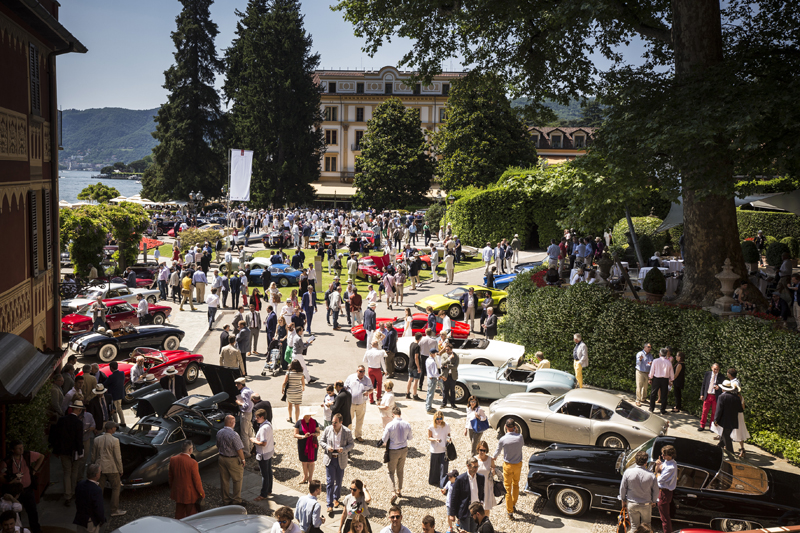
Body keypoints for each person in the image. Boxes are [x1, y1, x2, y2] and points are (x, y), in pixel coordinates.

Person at [320, 413, 354, 514]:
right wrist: (327, 447)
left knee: (338, 481)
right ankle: (329, 504)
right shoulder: (327, 429)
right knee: (330, 482)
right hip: (330, 459)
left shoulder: (347, 432)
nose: (333, 424)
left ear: (341, 422)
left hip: (341, 459)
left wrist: (343, 449)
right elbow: (321, 441)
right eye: (332, 422)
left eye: (335, 422)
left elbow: (351, 444)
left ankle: (336, 499)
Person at [491, 418, 524, 520]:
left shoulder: (503, 439)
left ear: (505, 426)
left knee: (507, 488)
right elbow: (521, 444)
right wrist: (517, 432)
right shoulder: (520, 437)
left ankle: (510, 511)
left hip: (508, 466)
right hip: (518, 465)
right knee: (516, 485)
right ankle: (513, 504)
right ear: (515, 427)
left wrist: (492, 459)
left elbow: (497, 452)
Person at [380, 407, 413, 504]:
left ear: (393, 414)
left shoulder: (390, 425)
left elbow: (384, 439)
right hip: (404, 449)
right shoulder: (407, 424)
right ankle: (399, 490)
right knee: (400, 470)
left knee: (390, 472)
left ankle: (393, 491)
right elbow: (410, 438)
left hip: (393, 450)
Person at [92, 421, 126, 517]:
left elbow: (93, 455)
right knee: (116, 488)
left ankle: (97, 510)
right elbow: (117, 457)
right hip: (111, 468)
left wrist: (93, 466)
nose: (115, 429)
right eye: (114, 427)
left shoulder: (96, 439)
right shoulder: (115, 440)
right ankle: (114, 510)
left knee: (99, 489)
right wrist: (120, 469)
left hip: (99, 468)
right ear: (111, 429)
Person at [619, 450, 658, 531]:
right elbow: (655, 490)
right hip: (646, 504)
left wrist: (623, 500)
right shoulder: (651, 475)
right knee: (647, 526)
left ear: (635, 460)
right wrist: (654, 501)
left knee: (634, 526)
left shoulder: (628, 472)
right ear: (646, 461)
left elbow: (623, 488)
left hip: (632, 503)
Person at [169, 440, 205, 518]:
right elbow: (197, 481)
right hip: (190, 494)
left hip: (178, 491)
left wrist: (173, 488)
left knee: (179, 513)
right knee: (191, 515)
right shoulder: (193, 463)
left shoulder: (173, 459)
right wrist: (201, 493)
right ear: (190, 450)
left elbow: (170, 477)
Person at [450, 458, 485, 533]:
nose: (476, 469)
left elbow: (482, 492)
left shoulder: (481, 478)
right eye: (474, 467)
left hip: (477, 511)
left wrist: (481, 501)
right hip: (465, 511)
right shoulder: (460, 479)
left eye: (477, 466)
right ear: (468, 466)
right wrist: (452, 514)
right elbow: (454, 497)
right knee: (465, 531)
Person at [217, 414, 246, 506]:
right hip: (232, 459)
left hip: (221, 458)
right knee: (237, 480)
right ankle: (236, 500)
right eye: (234, 422)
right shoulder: (234, 434)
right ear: (231, 423)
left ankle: (225, 500)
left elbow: (217, 445)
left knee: (224, 480)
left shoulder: (219, 432)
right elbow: (239, 449)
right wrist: (243, 459)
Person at [714, 380, 743, 454]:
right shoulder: (736, 398)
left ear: (723, 388)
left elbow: (719, 410)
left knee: (726, 438)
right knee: (724, 436)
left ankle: (731, 455)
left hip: (724, 421)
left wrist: (716, 420)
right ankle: (717, 449)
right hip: (733, 421)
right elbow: (740, 409)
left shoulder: (722, 397)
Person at [345, 366, 373, 443]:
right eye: (360, 371)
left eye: (363, 371)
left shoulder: (367, 379)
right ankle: (348, 436)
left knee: (360, 420)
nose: (362, 373)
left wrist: (368, 392)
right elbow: (345, 387)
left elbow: (371, 389)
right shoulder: (351, 377)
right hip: (351, 404)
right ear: (357, 371)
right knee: (349, 420)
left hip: (361, 404)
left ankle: (358, 435)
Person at [73, 464, 104, 533]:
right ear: (96, 475)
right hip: (90, 522)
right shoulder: (96, 490)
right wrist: (102, 520)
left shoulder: (80, 484)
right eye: (99, 472)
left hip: (80, 519)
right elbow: (98, 508)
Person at [654, 444, 677, 533]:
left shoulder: (671, 467)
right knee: (664, 516)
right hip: (663, 491)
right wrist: (658, 466)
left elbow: (659, 479)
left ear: (670, 455)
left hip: (664, 493)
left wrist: (657, 473)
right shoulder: (668, 462)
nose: (662, 456)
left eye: (664, 454)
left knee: (664, 517)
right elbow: (658, 471)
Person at [295, 407, 321, 484]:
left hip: (312, 444)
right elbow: (295, 434)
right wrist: (303, 436)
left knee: (311, 462)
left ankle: (310, 478)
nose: (308, 417)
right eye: (307, 415)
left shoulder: (314, 422)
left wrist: (315, 434)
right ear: (304, 415)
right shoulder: (299, 422)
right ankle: (305, 476)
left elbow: (318, 432)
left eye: (309, 415)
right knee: (304, 462)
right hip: (302, 444)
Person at [427, 411, 451, 488]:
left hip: (444, 449)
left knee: (444, 468)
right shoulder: (431, 427)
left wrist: (448, 440)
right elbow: (429, 437)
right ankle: (433, 481)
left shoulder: (446, 425)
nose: (439, 420)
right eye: (438, 419)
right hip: (435, 449)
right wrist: (435, 439)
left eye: (440, 418)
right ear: (435, 419)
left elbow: (448, 435)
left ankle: (443, 484)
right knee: (434, 467)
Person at [648, 347, 674, 415]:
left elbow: (652, 370)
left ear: (660, 354)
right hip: (665, 380)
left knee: (653, 394)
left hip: (657, 378)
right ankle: (663, 410)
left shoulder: (655, 361)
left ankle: (651, 408)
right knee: (664, 395)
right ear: (665, 354)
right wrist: (671, 380)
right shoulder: (668, 362)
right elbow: (671, 373)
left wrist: (650, 378)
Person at [698, 363, 723, 431]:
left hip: (715, 396)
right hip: (708, 395)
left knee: (714, 412)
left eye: (717, 369)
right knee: (704, 411)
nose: (716, 371)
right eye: (715, 369)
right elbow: (703, 384)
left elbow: (723, 388)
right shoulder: (707, 374)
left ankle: (711, 427)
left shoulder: (721, 376)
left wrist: (719, 388)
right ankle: (702, 425)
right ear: (712, 368)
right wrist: (702, 394)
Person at [474, 442, 496, 517]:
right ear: (478, 450)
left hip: (487, 486)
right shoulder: (475, 459)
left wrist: (493, 472)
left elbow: (494, 470)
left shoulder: (490, 459)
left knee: (486, 508)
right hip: (477, 486)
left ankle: (485, 523)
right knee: (477, 507)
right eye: (481, 450)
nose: (482, 452)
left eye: (484, 450)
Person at [234, 378, 254, 458]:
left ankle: (246, 452)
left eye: (237, 384)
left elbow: (246, 405)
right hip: (250, 413)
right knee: (249, 432)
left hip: (245, 414)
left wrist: (239, 403)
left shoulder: (244, 393)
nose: (236, 386)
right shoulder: (249, 390)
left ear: (241, 384)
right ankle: (251, 447)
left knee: (244, 434)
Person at [103, 362, 126, 427]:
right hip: (120, 394)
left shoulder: (111, 377)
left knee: (114, 410)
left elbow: (105, 384)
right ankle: (123, 422)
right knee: (119, 408)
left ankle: (116, 424)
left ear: (111, 368)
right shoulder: (122, 374)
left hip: (113, 395)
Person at [440, 343, 459, 409]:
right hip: (446, 375)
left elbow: (455, 366)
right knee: (445, 390)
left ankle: (453, 404)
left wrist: (447, 366)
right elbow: (442, 363)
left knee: (452, 390)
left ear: (451, 349)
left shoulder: (456, 356)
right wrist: (448, 359)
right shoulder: (443, 355)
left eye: (448, 350)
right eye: (446, 349)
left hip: (453, 375)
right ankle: (444, 403)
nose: (446, 351)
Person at [406, 333, 423, 400]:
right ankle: (415, 394)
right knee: (416, 381)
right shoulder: (417, 346)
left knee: (410, 379)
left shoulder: (412, 344)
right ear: (420, 338)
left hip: (410, 364)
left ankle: (407, 393)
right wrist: (418, 367)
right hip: (415, 366)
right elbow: (416, 357)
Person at [425, 349, 441, 413]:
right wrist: (439, 376)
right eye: (435, 353)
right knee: (431, 394)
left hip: (429, 378)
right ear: (432, 354)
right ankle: (429, 408)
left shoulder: (427, 360)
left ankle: (428, 406)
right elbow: (435, 373)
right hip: (432, 379)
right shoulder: (432, 362)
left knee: (429, 393)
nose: (436, 355)